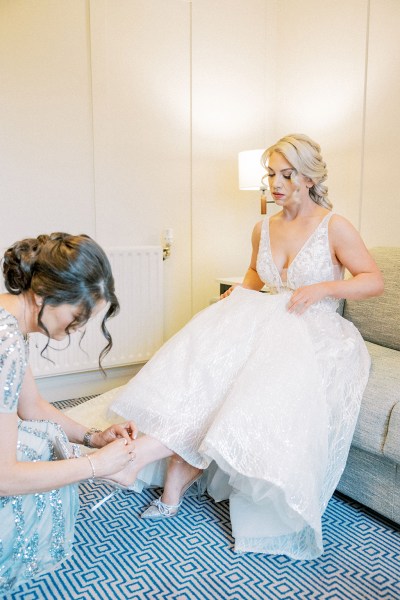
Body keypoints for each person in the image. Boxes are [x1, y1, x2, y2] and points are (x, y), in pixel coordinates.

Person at [82, 134, 384, 559]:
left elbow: (373, 279)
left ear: (309, 177)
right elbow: (254, 277)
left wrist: (323, 288)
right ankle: (160, 465)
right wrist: (236, 295)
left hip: (315, 334)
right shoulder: (263, 226)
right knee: (202, 370)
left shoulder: (334, 225)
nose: (275, 183)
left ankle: (141, 461)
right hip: (267, 319)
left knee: (230, 382)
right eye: (270, 175)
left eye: (286, 174)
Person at [0, 233, 137, 593]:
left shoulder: (9, 320)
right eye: (79, 315)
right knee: (40, 448)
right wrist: (96, 467)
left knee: (48, 434)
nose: (78, 327)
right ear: (45, 294)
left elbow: (34, 407)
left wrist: (94, 438)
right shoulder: (5, 341)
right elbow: (4, 477)